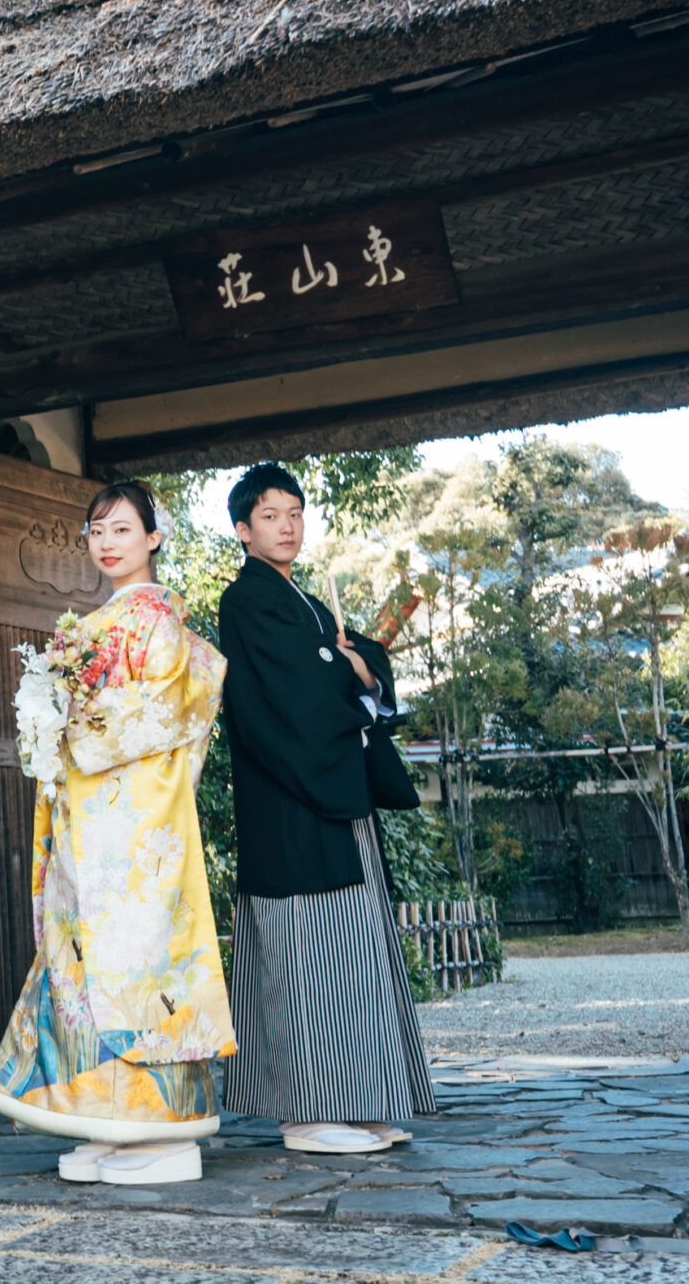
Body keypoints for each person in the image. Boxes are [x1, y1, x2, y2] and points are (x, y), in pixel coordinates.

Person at [0, 481, 233, 1186]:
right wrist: (49, 724)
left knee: (140, 963)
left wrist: (70, 727)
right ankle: (103, 1118)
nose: (107, 542)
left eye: (122, 528)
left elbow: (157, 715)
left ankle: (162, 1125)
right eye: (96, 530)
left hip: (135, 827)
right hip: (89, 821)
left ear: (154, 537)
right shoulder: (92, 625)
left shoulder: (158, 620)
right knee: (83, 961)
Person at [217, 461, 433, 1156]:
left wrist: (358, 666)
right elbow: (298, 691)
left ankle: (353, 1099)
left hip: (332, 792)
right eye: (270, 515)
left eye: (295, 513)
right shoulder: (245, 602)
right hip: (287, 799)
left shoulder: (303, 602)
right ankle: (303, 1113)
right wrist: (353, 670)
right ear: (243, 530)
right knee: (302, 955)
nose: (287, 526)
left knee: (349, 955)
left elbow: (354, 663)